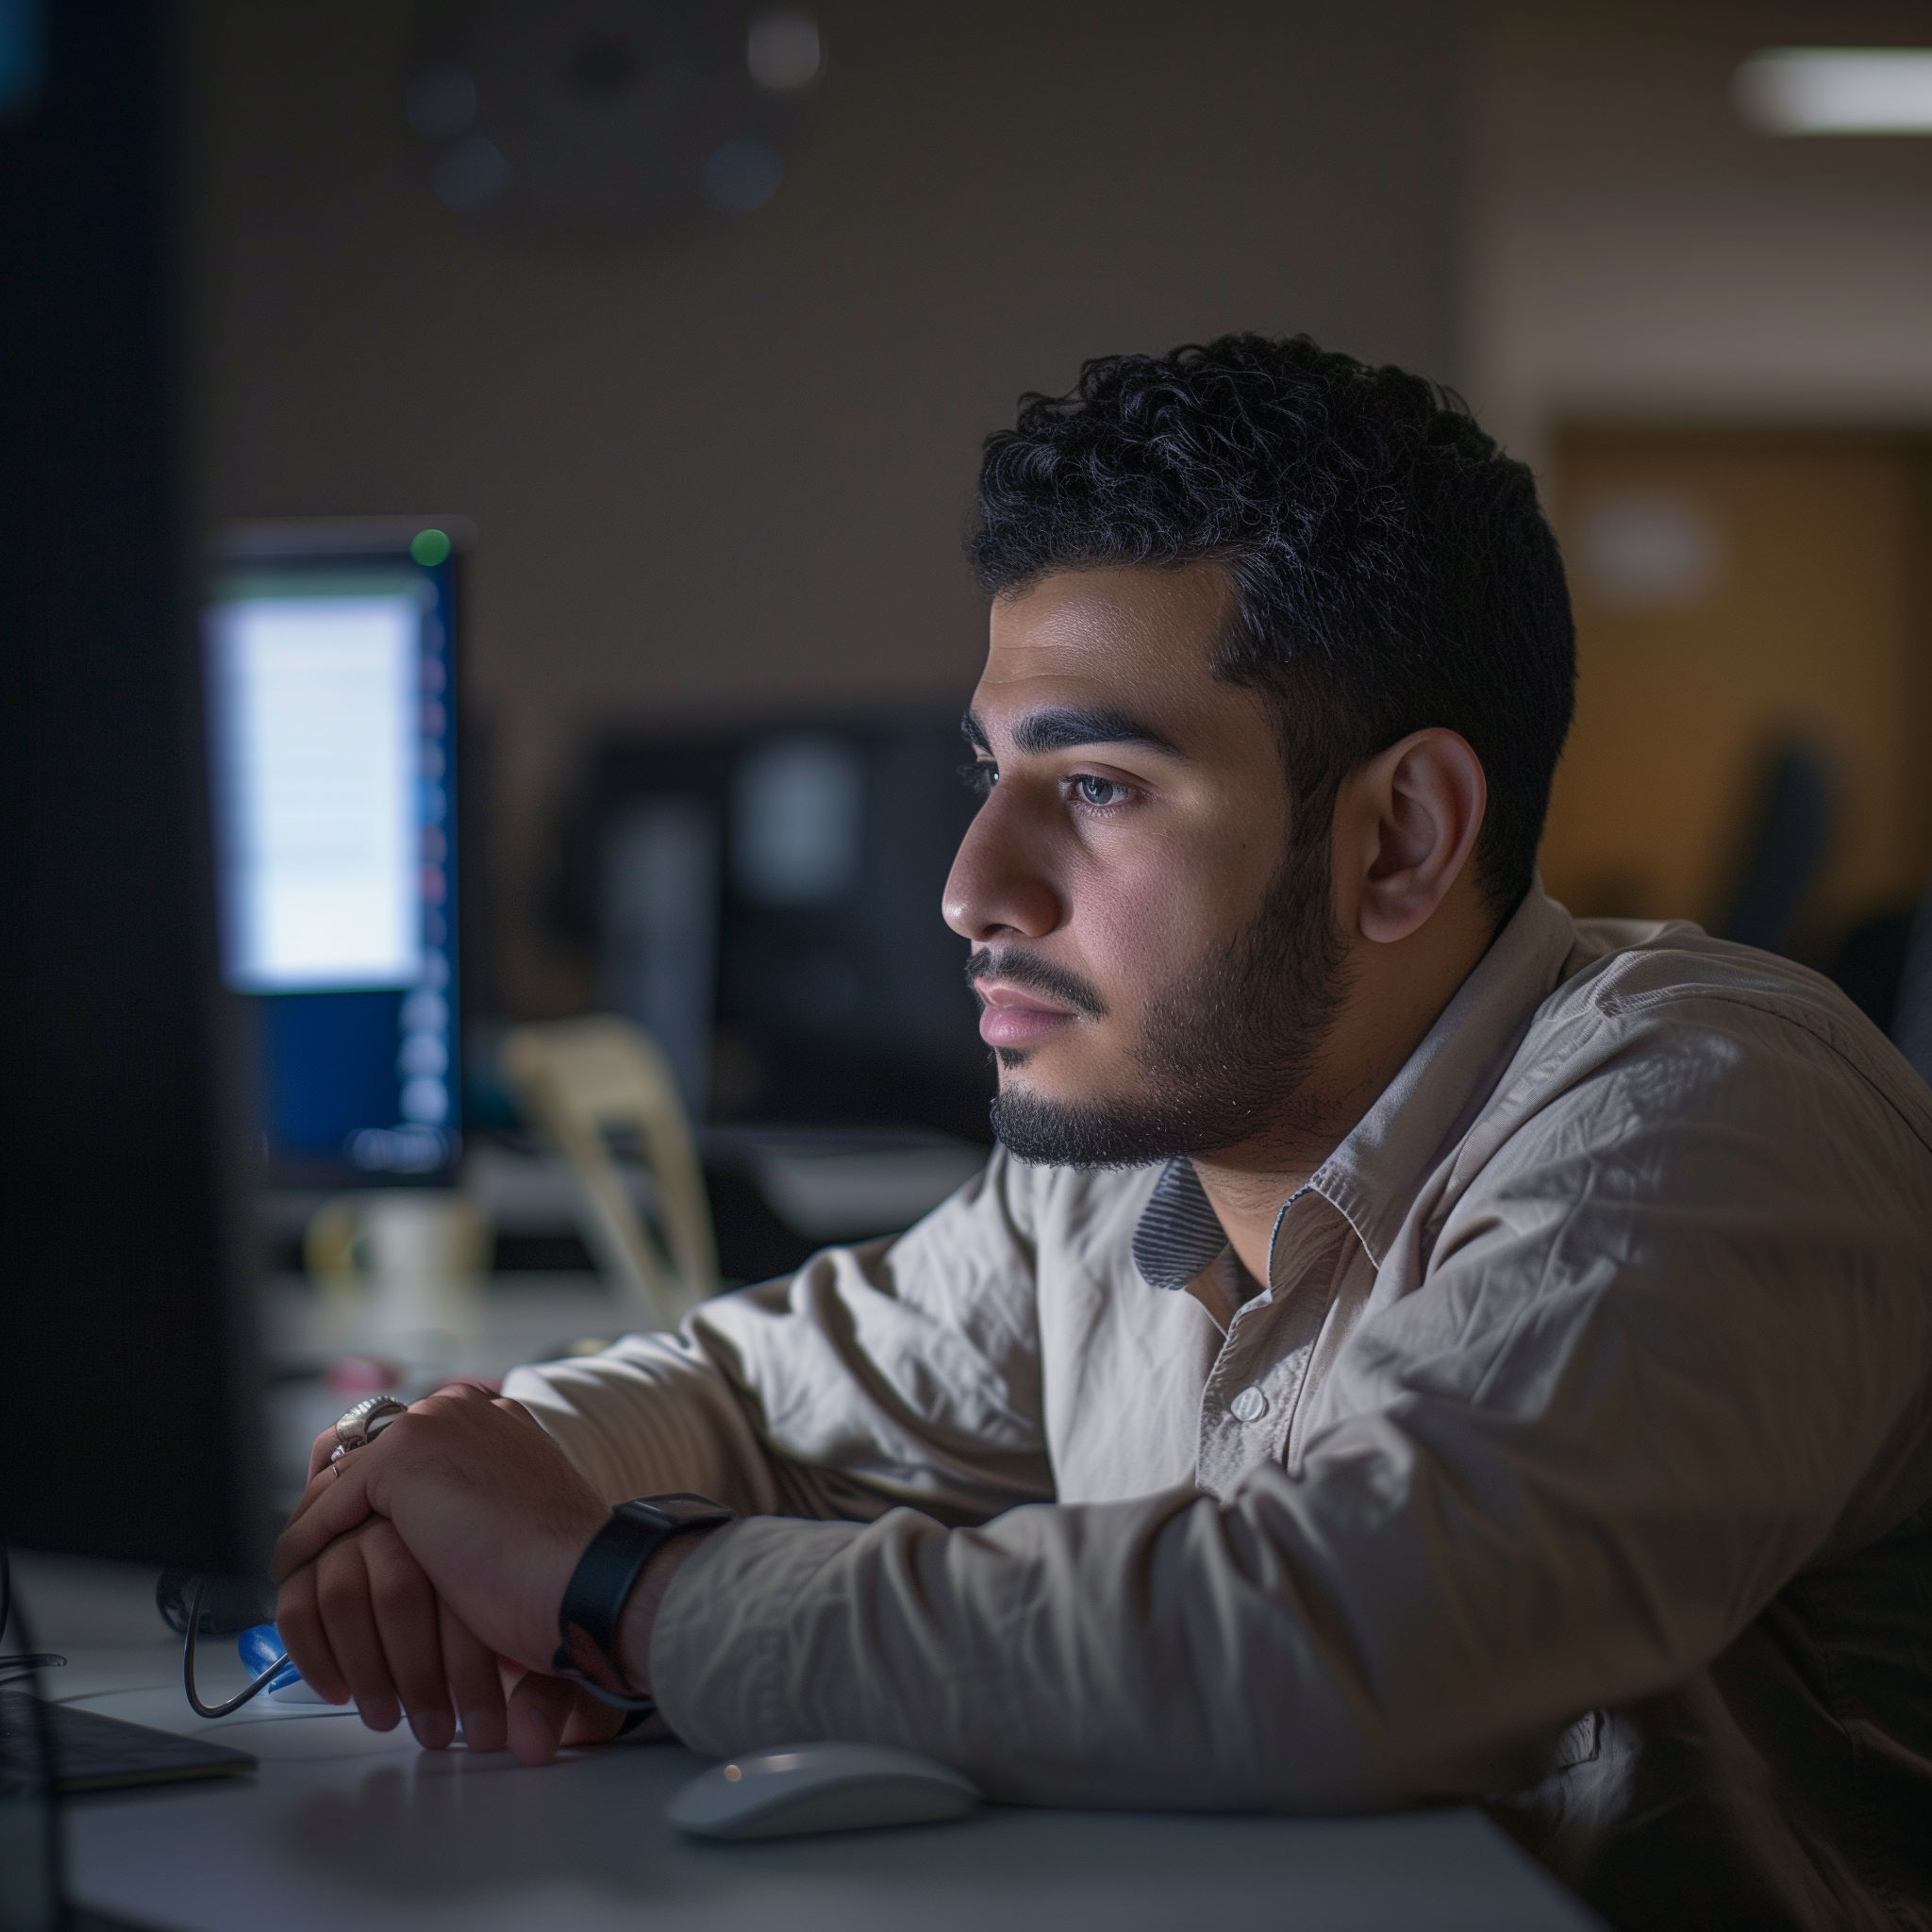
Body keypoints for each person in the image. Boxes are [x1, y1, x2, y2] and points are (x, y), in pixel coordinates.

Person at [274, 337, 1932, 1932]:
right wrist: (429, 1475)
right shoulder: (1139, 1155)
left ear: (1401, 839)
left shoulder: (1707, 1113)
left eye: (1101, 787)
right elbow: (754, 1402)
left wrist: (603, 1589)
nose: (969, 887)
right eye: (994, 771)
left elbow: (1339, 1646)